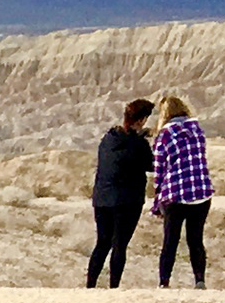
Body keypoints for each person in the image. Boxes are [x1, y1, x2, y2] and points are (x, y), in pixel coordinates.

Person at [89, 97, 153, 287]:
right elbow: (151, 165)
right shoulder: (138, 144)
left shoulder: (108, 139)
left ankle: (90, 285)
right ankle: (114, 286)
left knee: (102, 243)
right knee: (119, 245)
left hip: (102, 199)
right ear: (141, 120)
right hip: (127, 201)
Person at [151, 94, 213, 288]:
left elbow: (159, 170)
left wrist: (157, 201)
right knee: (196, 240)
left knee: (170, 241)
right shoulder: (197, 130)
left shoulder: (165, 135)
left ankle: (164, 282)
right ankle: (200, 280)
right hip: (202, 192)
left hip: (176, 194)